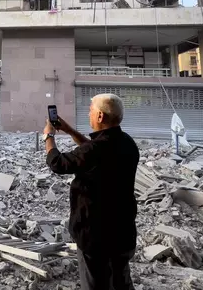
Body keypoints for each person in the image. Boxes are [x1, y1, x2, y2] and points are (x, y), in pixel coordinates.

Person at [42, 94, 139, 290]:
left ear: (100, 116)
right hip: (122, 232)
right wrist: (69, 130)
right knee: (121, 282)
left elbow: (57, 163)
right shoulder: (126, 143)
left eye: (91, 111)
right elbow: (93, 151)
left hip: (95, 234)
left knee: (95, 283)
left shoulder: (95, 150)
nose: (89, 114)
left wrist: (49, 136)